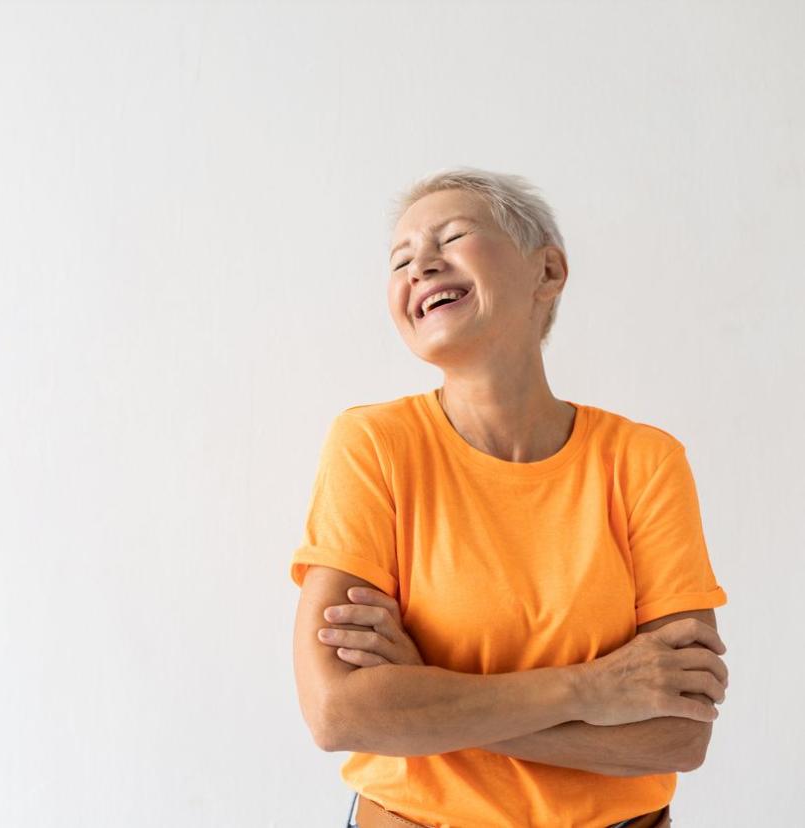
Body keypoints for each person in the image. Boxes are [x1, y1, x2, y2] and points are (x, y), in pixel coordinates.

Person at [288, 167, 729, 828]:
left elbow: (678, 737)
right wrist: (594, 690)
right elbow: (339, 713)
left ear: (546, 272)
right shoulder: (373, 445)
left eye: (452, 236)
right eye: (400, 259)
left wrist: (428, 700)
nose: (420, 265)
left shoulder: (643, 461)